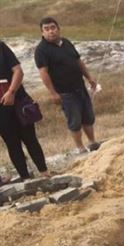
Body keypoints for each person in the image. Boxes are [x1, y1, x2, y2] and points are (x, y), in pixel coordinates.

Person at [35, 17, 100, 154]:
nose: (51, 31)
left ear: (58, 29)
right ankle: (80, 148)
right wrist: (53, 93)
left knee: (88, 117)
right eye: (46, 29)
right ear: (42, 33)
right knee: (75, 121)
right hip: (64, 92)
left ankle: (93, 143)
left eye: (53, 28)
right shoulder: (41, 50)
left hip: (80, 86)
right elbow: (43, 73)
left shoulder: (67, 43)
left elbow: (78, 61)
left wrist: (89, 77)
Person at [0, 41, 49, 183]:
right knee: (12, 143)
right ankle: (25, 178)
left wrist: (11, 92)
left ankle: (45, 172)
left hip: (17, 99)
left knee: (30, 138)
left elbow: (18, 71)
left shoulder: (2, 47)